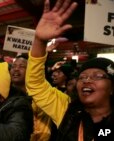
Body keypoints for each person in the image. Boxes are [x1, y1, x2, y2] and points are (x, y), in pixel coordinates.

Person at [26, 0, 114, 140]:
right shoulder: (67, 109)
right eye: (82, 77)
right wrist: (39, 41)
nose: (87, 80)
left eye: (97, 76)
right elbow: (36, 85)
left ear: (112, 88)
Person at [10, 54, 56, 141]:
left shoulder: (40, 94)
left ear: (31, 70)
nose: (16, 69)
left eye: (21, 66)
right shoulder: (5, 93)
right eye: (13, 66)